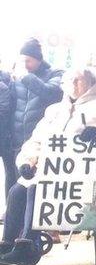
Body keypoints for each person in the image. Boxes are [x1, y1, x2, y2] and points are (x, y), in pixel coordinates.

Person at [0, 69, 96, 264]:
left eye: (77, 80)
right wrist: (27, 161)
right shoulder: (55, 110)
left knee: (37, 189)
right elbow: (36, 140)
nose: (72, 83)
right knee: (17, 190)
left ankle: (26, 245)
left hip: (86, 176)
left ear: (90, 82)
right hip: (52, 171)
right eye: (69, 80)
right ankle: (8, 243)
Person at [8, 38, 64, 193]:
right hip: (18, 140)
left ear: (39, 59)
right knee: (15, 184)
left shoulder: (55, 73)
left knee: (37, 188)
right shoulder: (17, 77)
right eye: (22, 61)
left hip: (42, 143)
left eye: (28, 60)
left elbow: (51, 93)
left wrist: (26, 77)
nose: (25, 65)